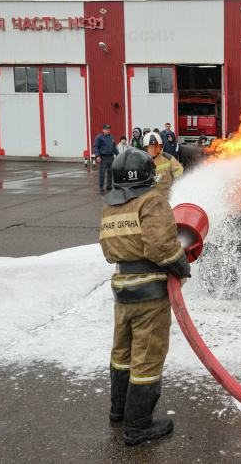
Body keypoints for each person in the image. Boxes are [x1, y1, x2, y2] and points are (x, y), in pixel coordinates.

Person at [99, 148, 191, 446]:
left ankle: (119, 411)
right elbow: (161, 247)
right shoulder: (152, 200)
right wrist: (182, 266)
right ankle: (138, 426)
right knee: (147, 357)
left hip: (122, 289)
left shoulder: (111, 205)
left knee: (122, 353)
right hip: (150, 293)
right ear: (149, 175)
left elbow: (108, 250)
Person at [143, 132, 184, 200]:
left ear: (160, 146)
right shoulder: (142, 161)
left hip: (167, 199)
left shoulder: (169, 159)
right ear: (145, 148)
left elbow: (180, 178)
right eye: (150, 147)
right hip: (149, 201)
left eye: (156, 147)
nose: (153, 150)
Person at [94, 124, 119, 192]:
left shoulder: (112, 137)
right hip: (103, 157)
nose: (108, 131)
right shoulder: (99, 137)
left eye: (109, 130)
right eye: (107, 129)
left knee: (110, 172)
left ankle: (109, 186)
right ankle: (101, 186)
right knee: (102, 172)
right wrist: (97, 156)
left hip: (111, 157)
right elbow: (96, 147)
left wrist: (118, 155)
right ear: (103, 130)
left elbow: (114, 147)